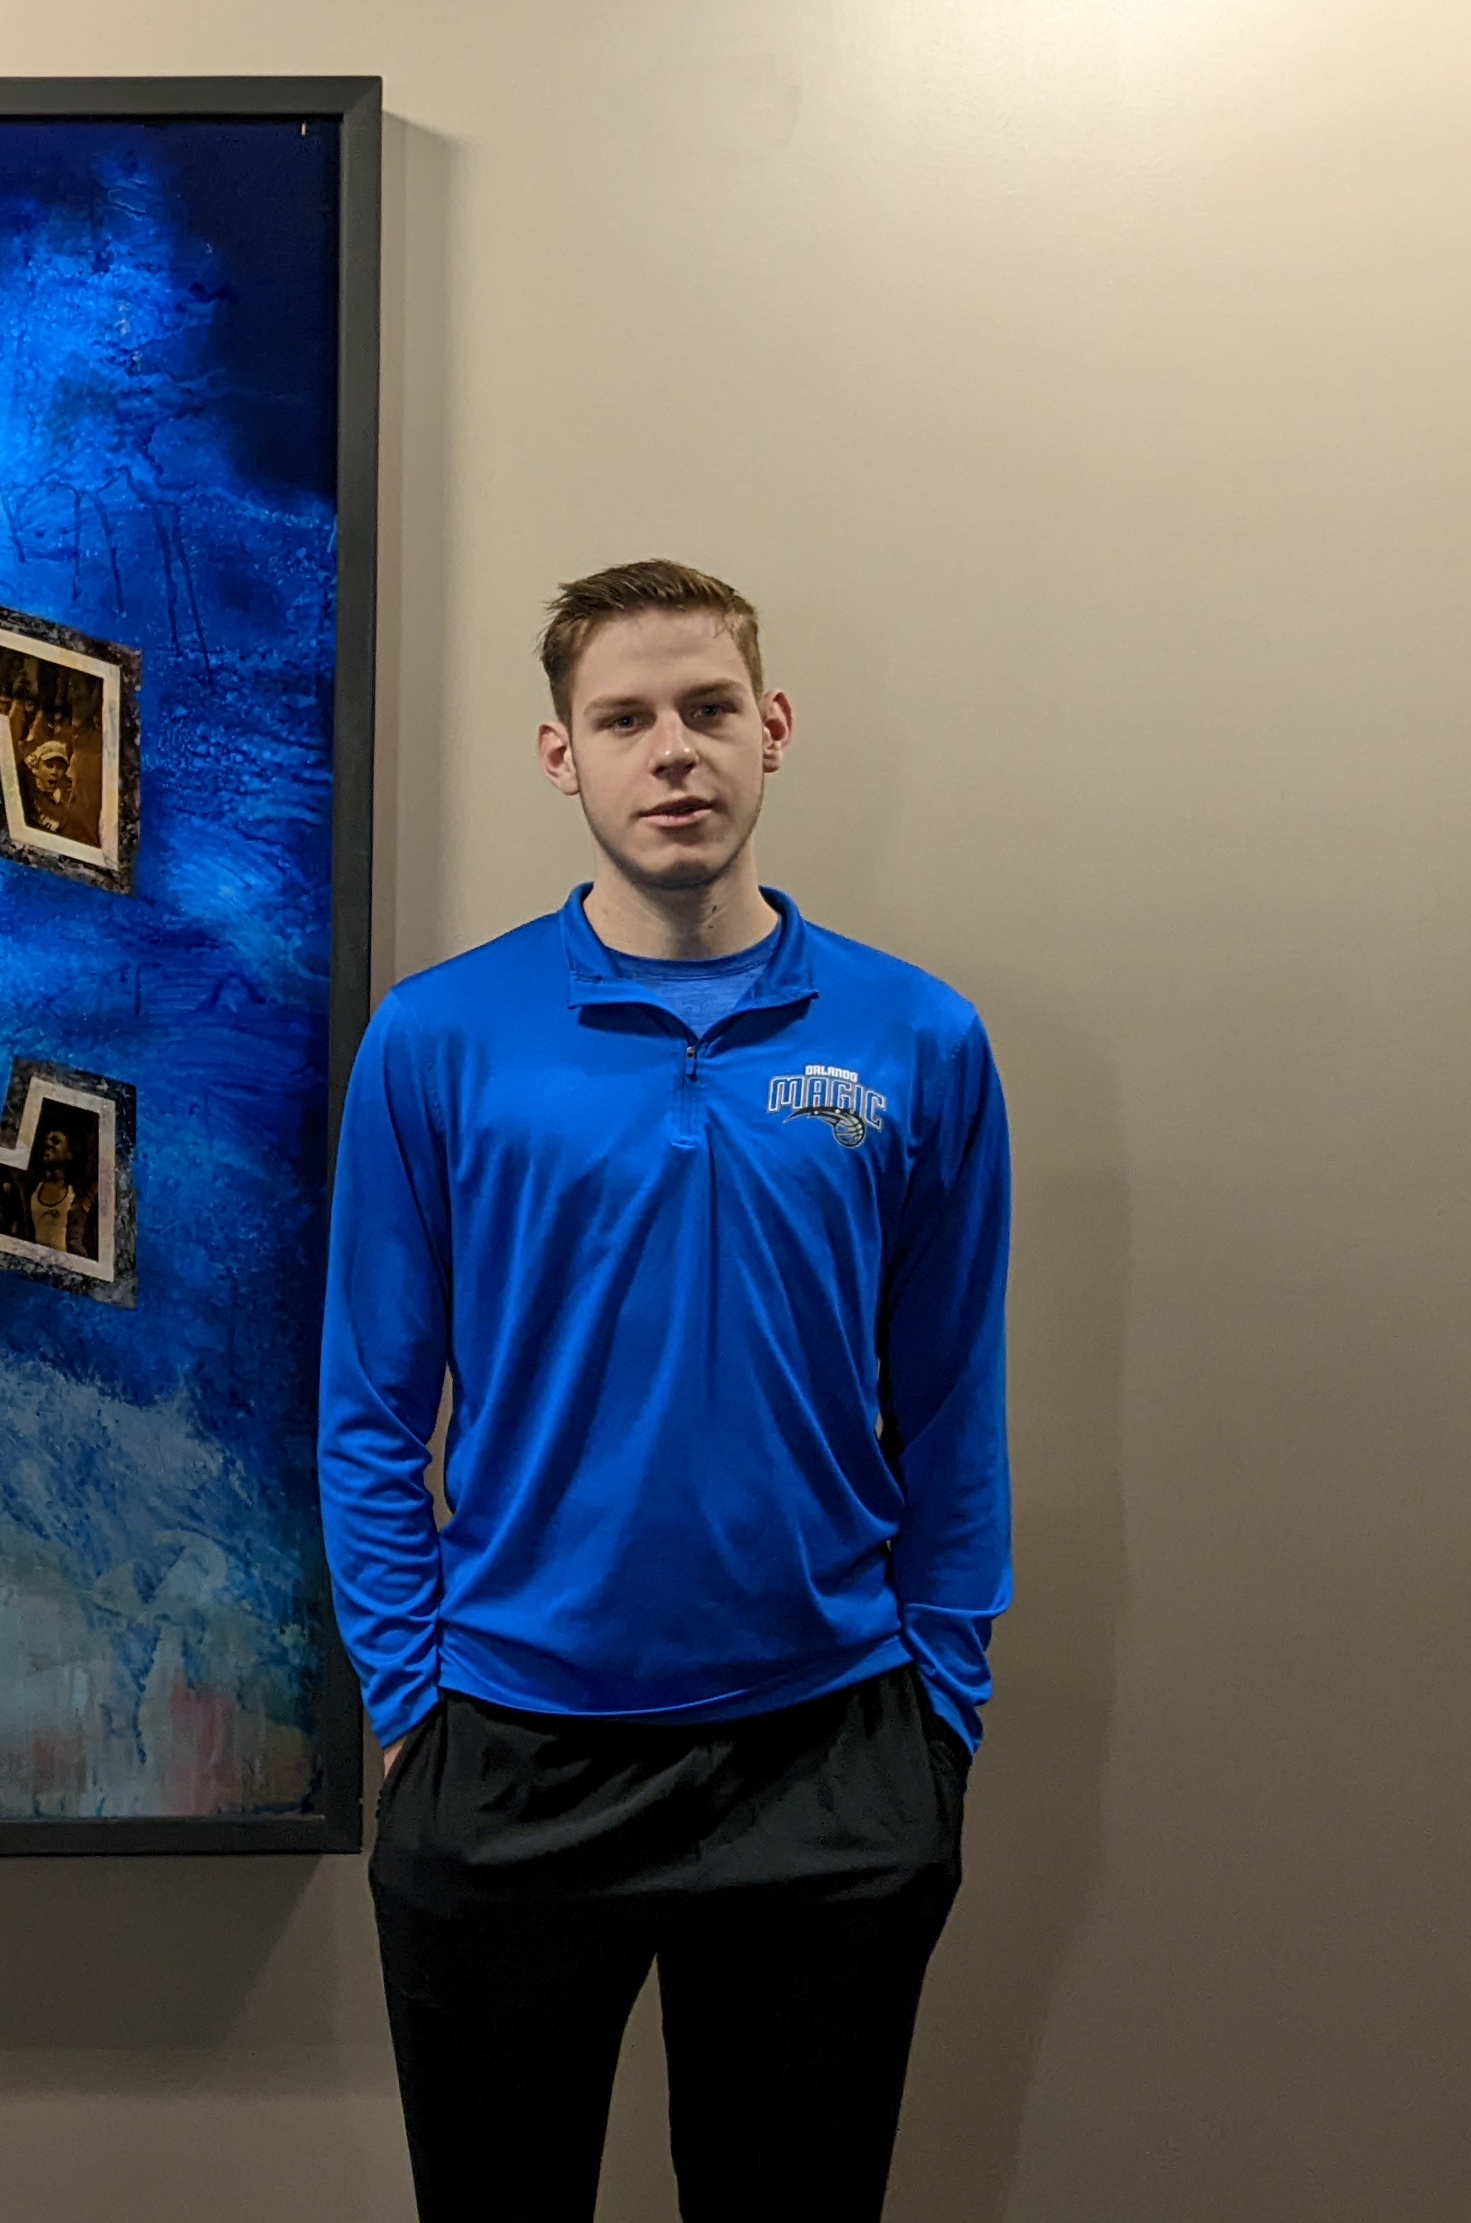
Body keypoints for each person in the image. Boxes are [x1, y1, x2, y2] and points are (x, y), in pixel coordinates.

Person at [319, 561, 1014, 2220]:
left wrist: (938, 1721)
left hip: (828, 1752)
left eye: (708, 709)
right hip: (510, 1747)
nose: (673, 751)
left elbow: (954, 1405)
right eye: (624, 719)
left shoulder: (918, 1042)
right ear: (561, 755)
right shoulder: (442, 1039)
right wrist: (410, 1707)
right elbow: (368, 1407)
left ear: (772, 729)